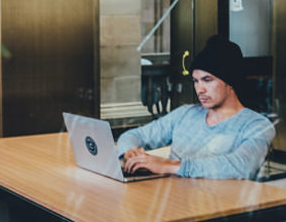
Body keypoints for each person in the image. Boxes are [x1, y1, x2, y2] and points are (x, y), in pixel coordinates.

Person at [117, 35, 275, 180]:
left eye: (207, 80)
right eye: (196, 81)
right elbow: (133, 135)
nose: (200, 89)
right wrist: (129, 152)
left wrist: (168, 165)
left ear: (230, 82)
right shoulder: (185, 114)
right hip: (171, 198)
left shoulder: (257, 125)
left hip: (219, 205)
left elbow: (241, 166)